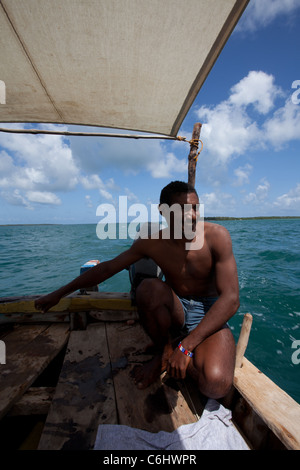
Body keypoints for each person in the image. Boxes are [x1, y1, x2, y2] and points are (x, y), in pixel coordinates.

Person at [35, 181, 239, 399]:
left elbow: (231, 299)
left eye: (195, 208)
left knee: (215, 386)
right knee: (147, 288)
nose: (191, 216)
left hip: (208, 311)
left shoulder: (217, 236)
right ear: (164, 212)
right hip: (176, 306)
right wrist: (59, 293)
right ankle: (164, 351)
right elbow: (108, 268)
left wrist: (186, 347)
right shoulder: (152, 242)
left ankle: (177, 346)